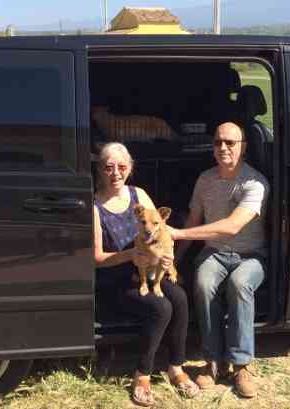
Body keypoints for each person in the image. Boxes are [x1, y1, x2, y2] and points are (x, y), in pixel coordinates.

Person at [93, 142, 199, 407]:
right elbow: (96, 258)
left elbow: (162, 229)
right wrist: (130, 256)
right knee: (161, 307)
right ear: (100, 169)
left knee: (180, 298)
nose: (115, 173)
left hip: (150, 271)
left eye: (121, 166)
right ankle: (142, 374)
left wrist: (168, 253)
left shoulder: (138, 194)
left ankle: (176, 366)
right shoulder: (94, 205)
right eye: (109, 167)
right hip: (115, 279)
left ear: (130, 168)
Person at [169, 122, 269, 399]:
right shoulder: (205, 179)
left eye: (230, 143)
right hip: (214, 252)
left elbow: (232, 226)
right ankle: (212, 361)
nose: (223, 148)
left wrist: (178, 232)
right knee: (202, 282)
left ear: (243, 147)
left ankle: (241, 365)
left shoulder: (256, 182)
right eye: (218, 142)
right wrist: (174, 259)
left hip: (251, 255)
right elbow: (193, 220)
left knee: (239, 284)